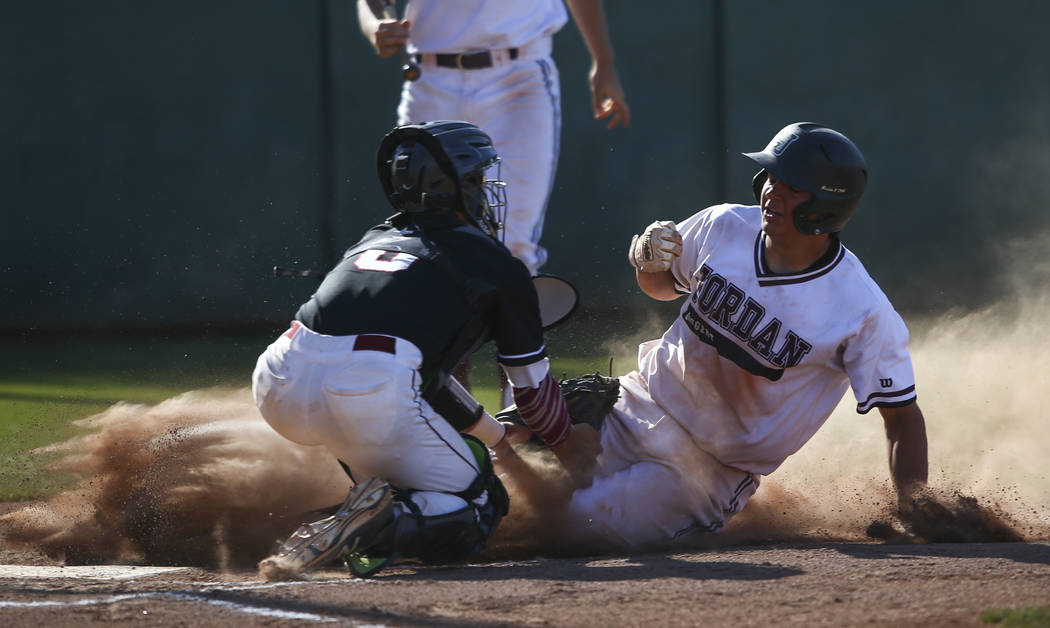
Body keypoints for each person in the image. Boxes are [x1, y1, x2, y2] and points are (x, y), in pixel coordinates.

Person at [532, 122, 930, 548]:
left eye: (793, 187)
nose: (773, 192)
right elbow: (664, 286)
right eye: (771, 177)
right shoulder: (723, 225)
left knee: (575, 527)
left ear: (826, 206)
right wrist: (647, 266)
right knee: (507, 452)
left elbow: (902, 417)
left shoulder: (862, 310)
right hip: (633, 404)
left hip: (705, 468)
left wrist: (914, 512)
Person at [252, 121, 589, 577]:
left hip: (279, 379)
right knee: (482, 499)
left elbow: (427, 381)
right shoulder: (496, 266)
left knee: (404, 462)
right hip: (365, 391)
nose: (487, 192)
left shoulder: (372, 239)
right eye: (479, 180)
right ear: (458, 186)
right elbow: (534, 396)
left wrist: (496, 440)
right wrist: (575, 456)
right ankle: (388, 519)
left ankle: (352, 516)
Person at [357, 0, 631, 276]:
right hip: (430, 80)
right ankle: (436, 317)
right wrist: (375, 26)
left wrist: (604, 62)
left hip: (519, 75)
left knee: (512, 241)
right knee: (422, 233)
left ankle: (509, 318)